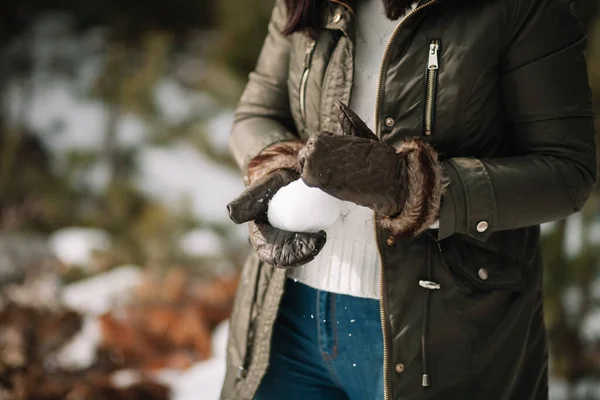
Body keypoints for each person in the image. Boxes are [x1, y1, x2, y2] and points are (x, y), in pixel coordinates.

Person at [221, 0, 598, 398]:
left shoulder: (522, 8)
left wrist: (413, 188)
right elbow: (256, 111)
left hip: (439, 335)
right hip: (285, 319)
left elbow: (566, 172)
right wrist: (280, 171)